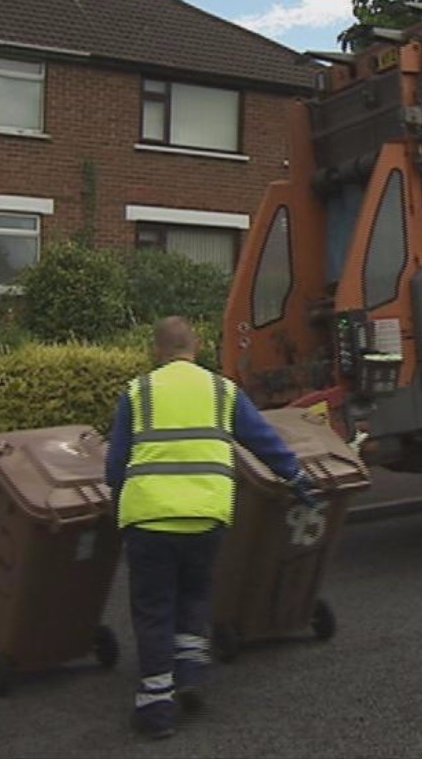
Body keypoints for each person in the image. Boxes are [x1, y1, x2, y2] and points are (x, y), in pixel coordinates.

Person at [105, 316, 302, 739]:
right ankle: (190, 672)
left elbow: (115, 462)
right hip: (206, 514)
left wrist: (117, 500)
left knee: (154, 608)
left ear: (156, 350)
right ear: (195, 345)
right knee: (195, 593)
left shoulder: (138, 392)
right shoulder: (221, 389)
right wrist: (297, 476)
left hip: (150, 517)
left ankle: (157, 707)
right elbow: (262, 439)